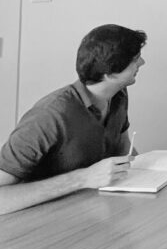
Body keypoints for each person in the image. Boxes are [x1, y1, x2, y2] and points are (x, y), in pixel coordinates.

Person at [0, 24, 146, 215]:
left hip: (92, 213)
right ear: (110, 73)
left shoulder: (118, 94)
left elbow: (123, 148)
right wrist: (83, 178)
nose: (142, 62)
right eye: (135, 59)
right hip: (39, 222)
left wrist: (152, 174)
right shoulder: (49, 115)